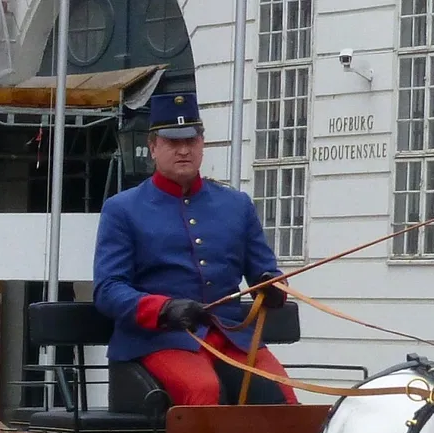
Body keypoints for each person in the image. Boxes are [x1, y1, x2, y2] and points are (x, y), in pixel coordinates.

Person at [93, 92, 297, 406]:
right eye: (173, 142)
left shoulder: (236, 205)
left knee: (283, 397)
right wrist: (164, 309)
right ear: (153, 147)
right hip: (160, 340)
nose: (184, 150)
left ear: (202, 144)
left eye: (191, 140)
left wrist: (272, 288)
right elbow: (108, 289)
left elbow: (265, 272)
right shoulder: (122, 209)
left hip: (232, 338)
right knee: (202, 391)